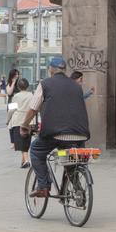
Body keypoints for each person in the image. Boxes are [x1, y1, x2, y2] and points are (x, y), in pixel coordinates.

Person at [24, 57, 90, 198]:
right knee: (69, 159)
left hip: (56, 134)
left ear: (51, 70)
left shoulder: (45, 84)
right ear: (64, 71)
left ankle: (43, 187)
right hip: (80, 135)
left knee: (36, 151)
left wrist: (24, 125)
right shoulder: (76, 86)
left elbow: (33, 108)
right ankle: (78, 190)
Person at [7, 77, 34, 168]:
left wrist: (7, 120)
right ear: (27, 86)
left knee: (21, 142)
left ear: (18, 87)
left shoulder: (16, 96)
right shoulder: (31, 95)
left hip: (18, 120)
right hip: (28, 120)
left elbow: (11, 109)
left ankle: (26, 161)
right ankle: (23, 162)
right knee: (26, 141)